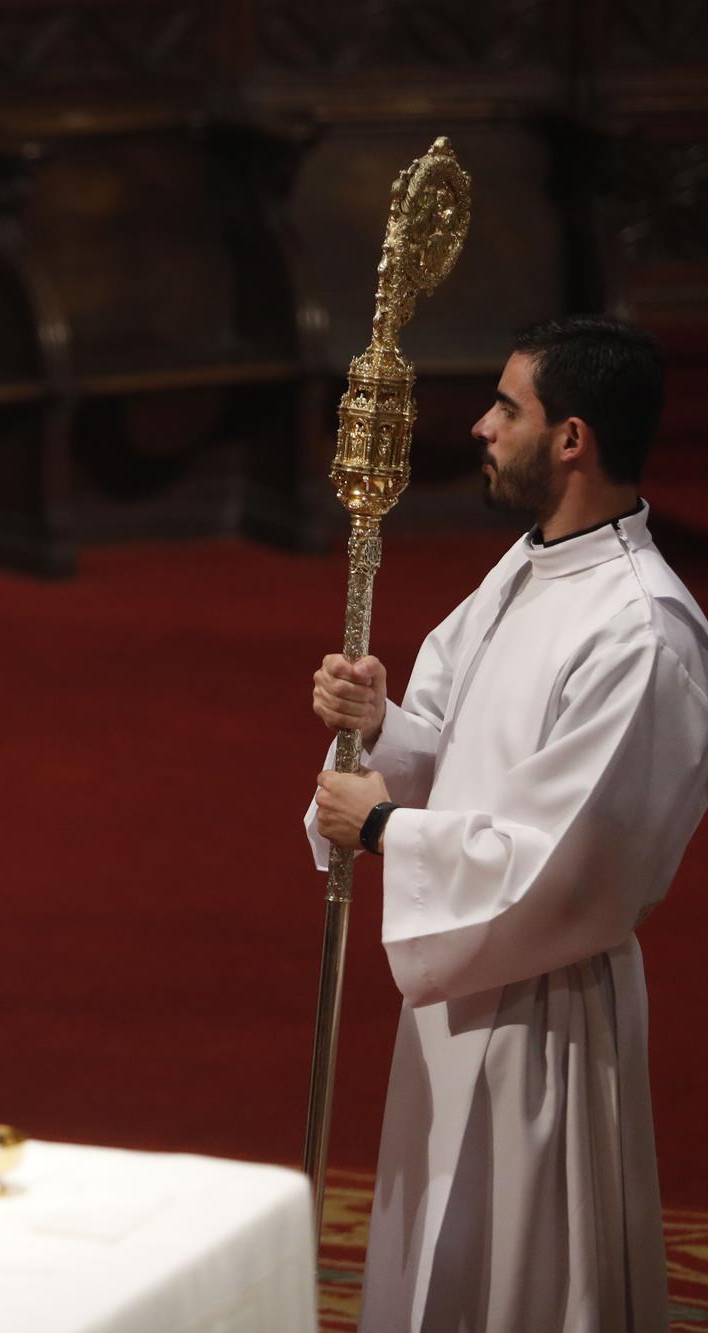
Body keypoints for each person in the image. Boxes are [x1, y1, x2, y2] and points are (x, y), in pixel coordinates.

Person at [305, 316, 708, 1331]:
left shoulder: (639, 632)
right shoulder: (525, 568)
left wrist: (387, 827)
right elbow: (460, 747)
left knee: (522, 1275)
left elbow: (572, 866)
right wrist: (379, 723)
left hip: (543, 1006)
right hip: (457, 983)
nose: (481, 426)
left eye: (504, 407)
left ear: (569, 438)